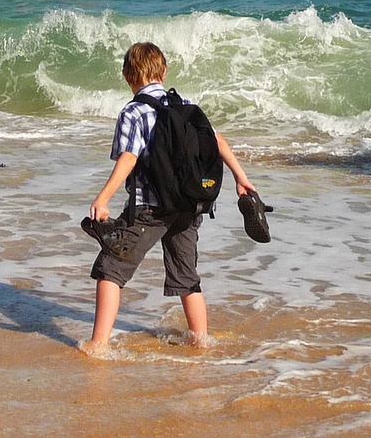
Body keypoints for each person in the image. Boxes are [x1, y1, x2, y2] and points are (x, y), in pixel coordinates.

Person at [84, 42, 255, 352]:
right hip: (189, 205)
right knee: (187, 277)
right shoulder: (186, 105)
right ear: (163, 73)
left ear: (126, 75)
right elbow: (218, 142)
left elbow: (129, 159)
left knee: (110, 268)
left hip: (150, 208)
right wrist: (241, 179)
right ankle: (201, 340)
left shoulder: (134, 112)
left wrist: (103, 197)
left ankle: (98, 344)